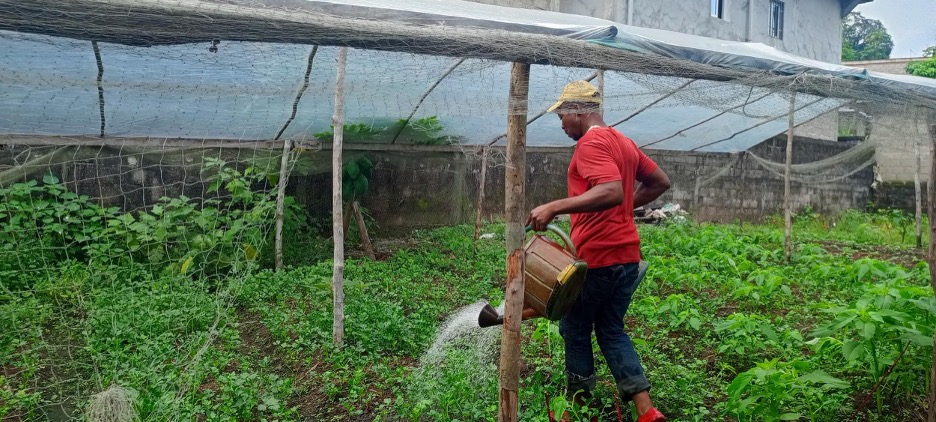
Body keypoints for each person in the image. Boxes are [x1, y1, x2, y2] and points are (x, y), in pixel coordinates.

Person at [527, 80, 670, 422]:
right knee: (610, 329)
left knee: (574, 328)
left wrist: (554, 206)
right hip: (627, 257)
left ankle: (577, 407)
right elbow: (660, 182)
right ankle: (646, 410)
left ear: (578, 111)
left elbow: (610, 190)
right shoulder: (623, 141)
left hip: (598, 259)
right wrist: (620, 209)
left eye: (563, 116)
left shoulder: (591, 143)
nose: (562, 124)